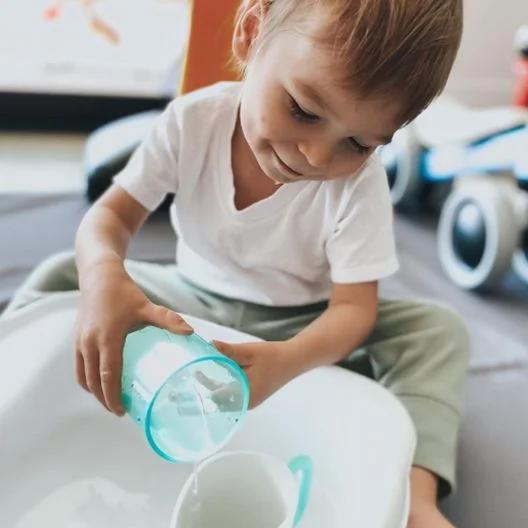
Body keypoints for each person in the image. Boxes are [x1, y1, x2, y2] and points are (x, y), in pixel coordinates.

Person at [3, 1, 469, 526]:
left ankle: (418, 496)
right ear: (251, 33)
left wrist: (287, 361)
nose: (317, 156)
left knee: (438, 333)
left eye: (359, 142)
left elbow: (353, 311)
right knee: (66, 274)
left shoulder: (357, 187)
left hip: (300, 323)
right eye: (304, 111)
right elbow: (109, 218)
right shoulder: (192, 121)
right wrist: (103, 276)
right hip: (184, 304)